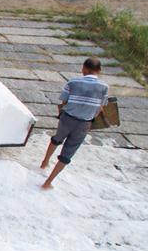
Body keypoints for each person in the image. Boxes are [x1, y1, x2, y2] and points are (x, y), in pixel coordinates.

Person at [41, 57, 109, 190]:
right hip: (84, 124)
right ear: (99, 71)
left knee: (56, 139)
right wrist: (91, 119)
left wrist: (61, 114)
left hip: (67, 119)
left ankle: (44, 162)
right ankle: (48, 182)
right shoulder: (104, 87)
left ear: (83, 68)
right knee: (67, 153)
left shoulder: (72, 82)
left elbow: (63, 102)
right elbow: (101, 107)